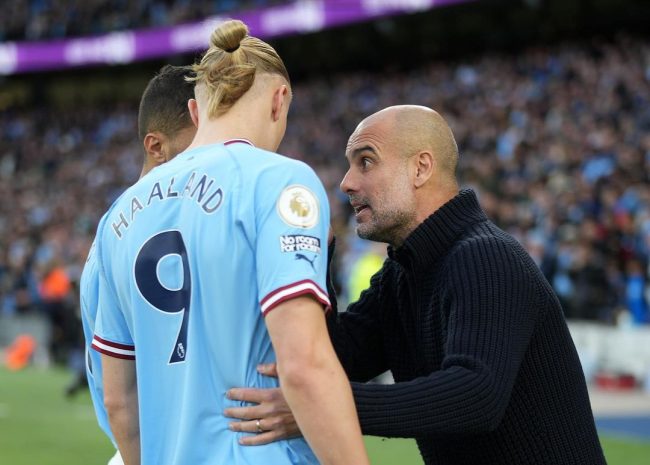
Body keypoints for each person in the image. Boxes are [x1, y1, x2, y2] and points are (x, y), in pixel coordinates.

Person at [226, 105, 607, 465]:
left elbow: (475, 395)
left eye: (366, 161)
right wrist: (313, 255)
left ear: (421, 168)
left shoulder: (486, 256)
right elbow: (338, 358)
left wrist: (319, 403)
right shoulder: (402, 273)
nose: (346, 183)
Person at [91, 19, 368, 465]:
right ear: (279, 100)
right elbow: (304, 366)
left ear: (195, 111)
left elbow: (120, 400)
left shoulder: (120, 214)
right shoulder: (280, 180)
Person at [80, 64, 197, 465]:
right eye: (200, 143)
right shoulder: (146, 234)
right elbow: (120, 396)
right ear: (156, 146)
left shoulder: (117, 227)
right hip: (159, 450)